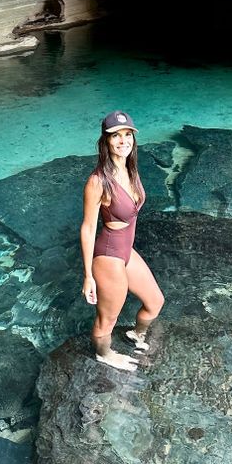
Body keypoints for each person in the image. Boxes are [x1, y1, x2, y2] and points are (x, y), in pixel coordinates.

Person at [80, 110, 165, 371]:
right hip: (109, 255)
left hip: (127, 250)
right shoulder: (97, 181)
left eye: (127, 134)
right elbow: (87, 227)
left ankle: (136, 335)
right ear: (105, 141)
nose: (123, 141)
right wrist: (88, 277)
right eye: (116, 136)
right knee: (107, 320)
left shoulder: (130, 169)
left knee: (155, 303)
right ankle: (104, 354)